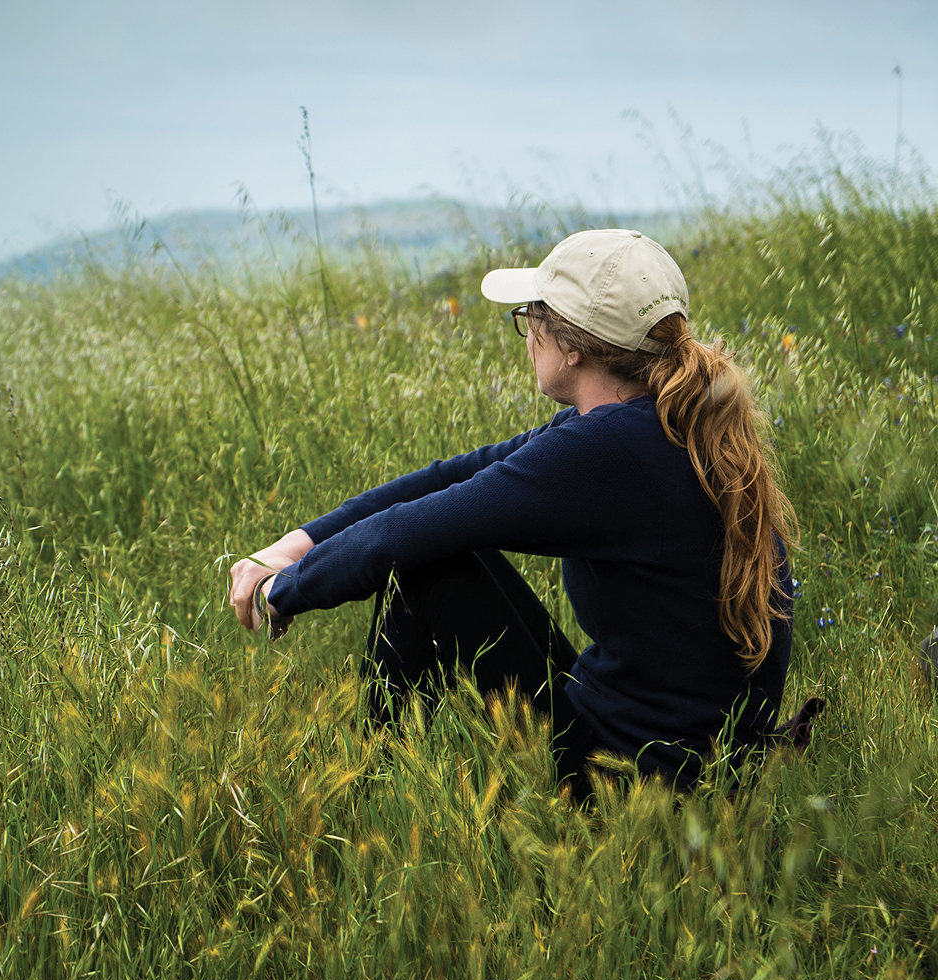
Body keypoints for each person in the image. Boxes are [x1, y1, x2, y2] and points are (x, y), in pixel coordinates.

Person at [228, 229, 795, 793]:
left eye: (530, 317)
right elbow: (451, 479)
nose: (526, 336)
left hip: (640, 784)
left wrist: (280, 592)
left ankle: (366, 793)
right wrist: (296, 545)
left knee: (424, 567)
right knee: (435, 546)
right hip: (672, 751)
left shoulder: (611, 448)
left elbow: (401, 535)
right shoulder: (658, 416)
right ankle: (377, 786)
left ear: (572, 346)